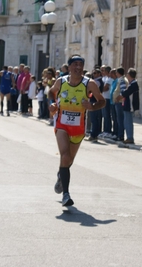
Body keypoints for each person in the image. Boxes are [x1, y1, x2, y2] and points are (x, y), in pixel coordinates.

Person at [48, 55, 105, 206]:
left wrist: (92, 106)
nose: (78, 67)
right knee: (65, 156)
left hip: (79, 128)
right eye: (75, 64)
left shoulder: (89, 84)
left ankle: (61, 174)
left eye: (81, 64)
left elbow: (102, 101)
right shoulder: (61, 81)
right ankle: (66, 195)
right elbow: (51, 92)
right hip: (61, 125)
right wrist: (52, 104)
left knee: (69, 160)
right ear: (70, 66)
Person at [116, 68, 140, 144]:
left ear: (129, 75)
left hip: (130, 105)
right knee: (126, 121)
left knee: (128, 122)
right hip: (127, 105)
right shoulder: (131, 83)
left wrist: (119, 96)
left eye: (127, 74)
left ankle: (130, 138)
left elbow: (126, 93)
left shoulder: (134, 84)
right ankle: (129, 137)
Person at [86, 69, 103, 142]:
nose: (94, 74)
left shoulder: (97, 82)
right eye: (93, 73)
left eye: (95, 73)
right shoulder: (97, 81)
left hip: (95, 101)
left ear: (99, 74)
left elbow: (91, 89)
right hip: (94, 100)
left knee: (94, 119)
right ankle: (94, 134)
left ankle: (94, 135)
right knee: (95, 118)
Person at [113, 67, 127, 141]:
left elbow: (123, 91)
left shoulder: (122, 80)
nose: (115, 74)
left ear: (118, 73)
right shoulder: (121, 79)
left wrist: (118, 98)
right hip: (119, 102)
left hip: (120, 102)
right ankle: (119, 134)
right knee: (119, 119)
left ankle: (120, 135)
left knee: (120, 119)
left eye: (116, 72)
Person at [100, 65, 112, 138]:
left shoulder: (109, 79)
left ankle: (108, 131)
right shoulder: (104, 78)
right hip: (104, 98)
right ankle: (105, 130)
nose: (102, 72)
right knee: (104, 115)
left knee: (107, 115)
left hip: (107, 98)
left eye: (103, 70)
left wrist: (98, 89)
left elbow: (105, 88)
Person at [109, 69, 118, 139]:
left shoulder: (117, 81)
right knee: (113, 118)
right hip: (111, 101)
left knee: (116, 118)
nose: (110, 75)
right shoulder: (113, 81)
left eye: (111, 73)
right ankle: (114, 131)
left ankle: (116, 132)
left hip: (115, 102)